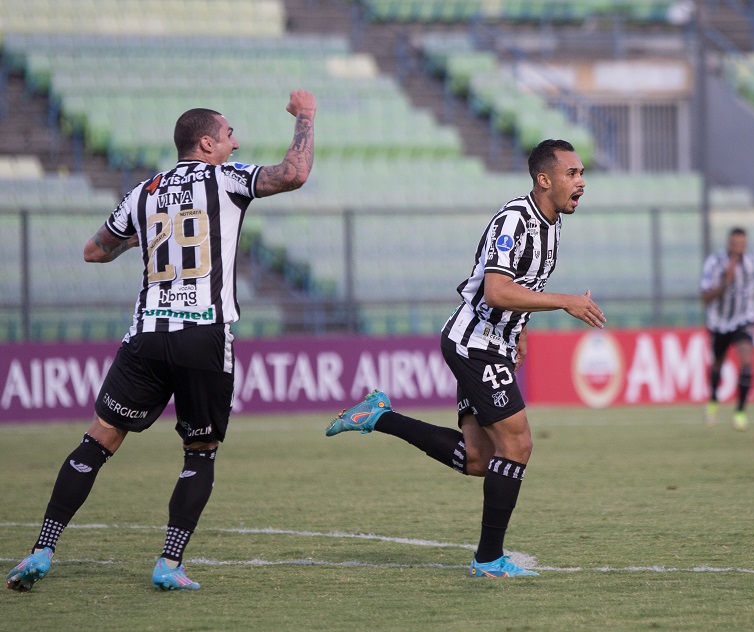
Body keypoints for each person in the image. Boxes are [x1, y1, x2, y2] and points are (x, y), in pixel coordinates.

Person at [6, 90, 317, 592]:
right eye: (229, 135)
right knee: (200, 451)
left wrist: (144, 237)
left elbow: (93, 251)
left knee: (98, 440)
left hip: (147, 336)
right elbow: (294, 173)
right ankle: (169, 563)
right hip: (203, 335)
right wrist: (305, 115)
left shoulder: (144, 192)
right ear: (207, 143)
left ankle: (41, 549)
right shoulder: (226, 179)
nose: (236, 144)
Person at [325, 139, 605, 578]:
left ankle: (378, 416)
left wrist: (521, 331)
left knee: (478, 459)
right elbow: (496, 290)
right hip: (474, 344)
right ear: (544, 180)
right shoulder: (515, 220)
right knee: (517, 445)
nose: (581, 182)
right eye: (572, 173)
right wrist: (565, 301)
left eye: (581, 173)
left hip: (495, 343)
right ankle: (488, 560)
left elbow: (523, 285)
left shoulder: (551, 224)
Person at [699, 226, 754, 431]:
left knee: (747, 361)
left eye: (742, 244)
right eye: (735, 244)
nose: (739, 248)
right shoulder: (714, 263)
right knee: (718, 363)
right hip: (719, 322)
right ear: (728, 244)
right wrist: (724, 282)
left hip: (744, 319)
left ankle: (740, 411)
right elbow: (705, 298)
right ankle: (713, 400)